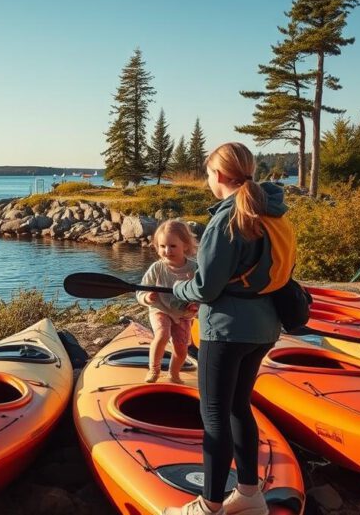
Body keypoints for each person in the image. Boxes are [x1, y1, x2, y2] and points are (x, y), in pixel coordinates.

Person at [163, 142, 293, 515]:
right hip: (264, 328)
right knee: (239, 407)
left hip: (227, 330)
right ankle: (250, 495)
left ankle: (210, 506)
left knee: (215, 414)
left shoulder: (228, 218)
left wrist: (179, 289)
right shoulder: (272, 211)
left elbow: (205, 287)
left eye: (207, 174)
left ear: (218, 175)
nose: (208, 180)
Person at [135, 220, 199, 384]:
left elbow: (202, 291)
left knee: (181, 348)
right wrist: (146, 298)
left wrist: (196, 305)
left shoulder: (194, 269)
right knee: (162, 334)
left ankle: (174, 373)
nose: (167, 251)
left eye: (172, 246)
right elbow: (141, 290)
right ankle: (154, 369)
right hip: (160, 308)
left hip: (184, 314)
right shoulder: (157, 268)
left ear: (185, 245)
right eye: (162, 246)